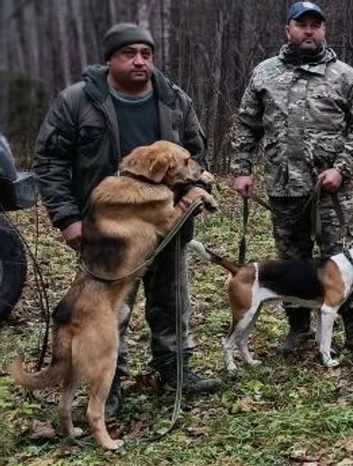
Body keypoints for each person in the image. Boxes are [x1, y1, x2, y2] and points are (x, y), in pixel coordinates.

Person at [33, 23, 219, 417]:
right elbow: (49, 162)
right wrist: (67, 218)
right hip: (109, 232)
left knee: (172, 302)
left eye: (146, 54)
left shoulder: (174, 99)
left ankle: (175, 370)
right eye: (128, 53)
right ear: (109, 59)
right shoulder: (78, 101)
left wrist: (190, 191)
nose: (139, 61)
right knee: (108, 310)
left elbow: (195, 154)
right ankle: (109, 383)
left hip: (167, 224)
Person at [230, 1, 353, 361]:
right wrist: (241, 169)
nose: (309, 31)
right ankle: (298, 329)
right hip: (283, 188)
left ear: (323, 30)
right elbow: (246, 124)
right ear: (289, 30)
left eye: (315, 25)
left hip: (330, 192)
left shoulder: (344, 76)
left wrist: (341, 168)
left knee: (346, 260)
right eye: (302, 24)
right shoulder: (264, 73)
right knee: (290, 263)